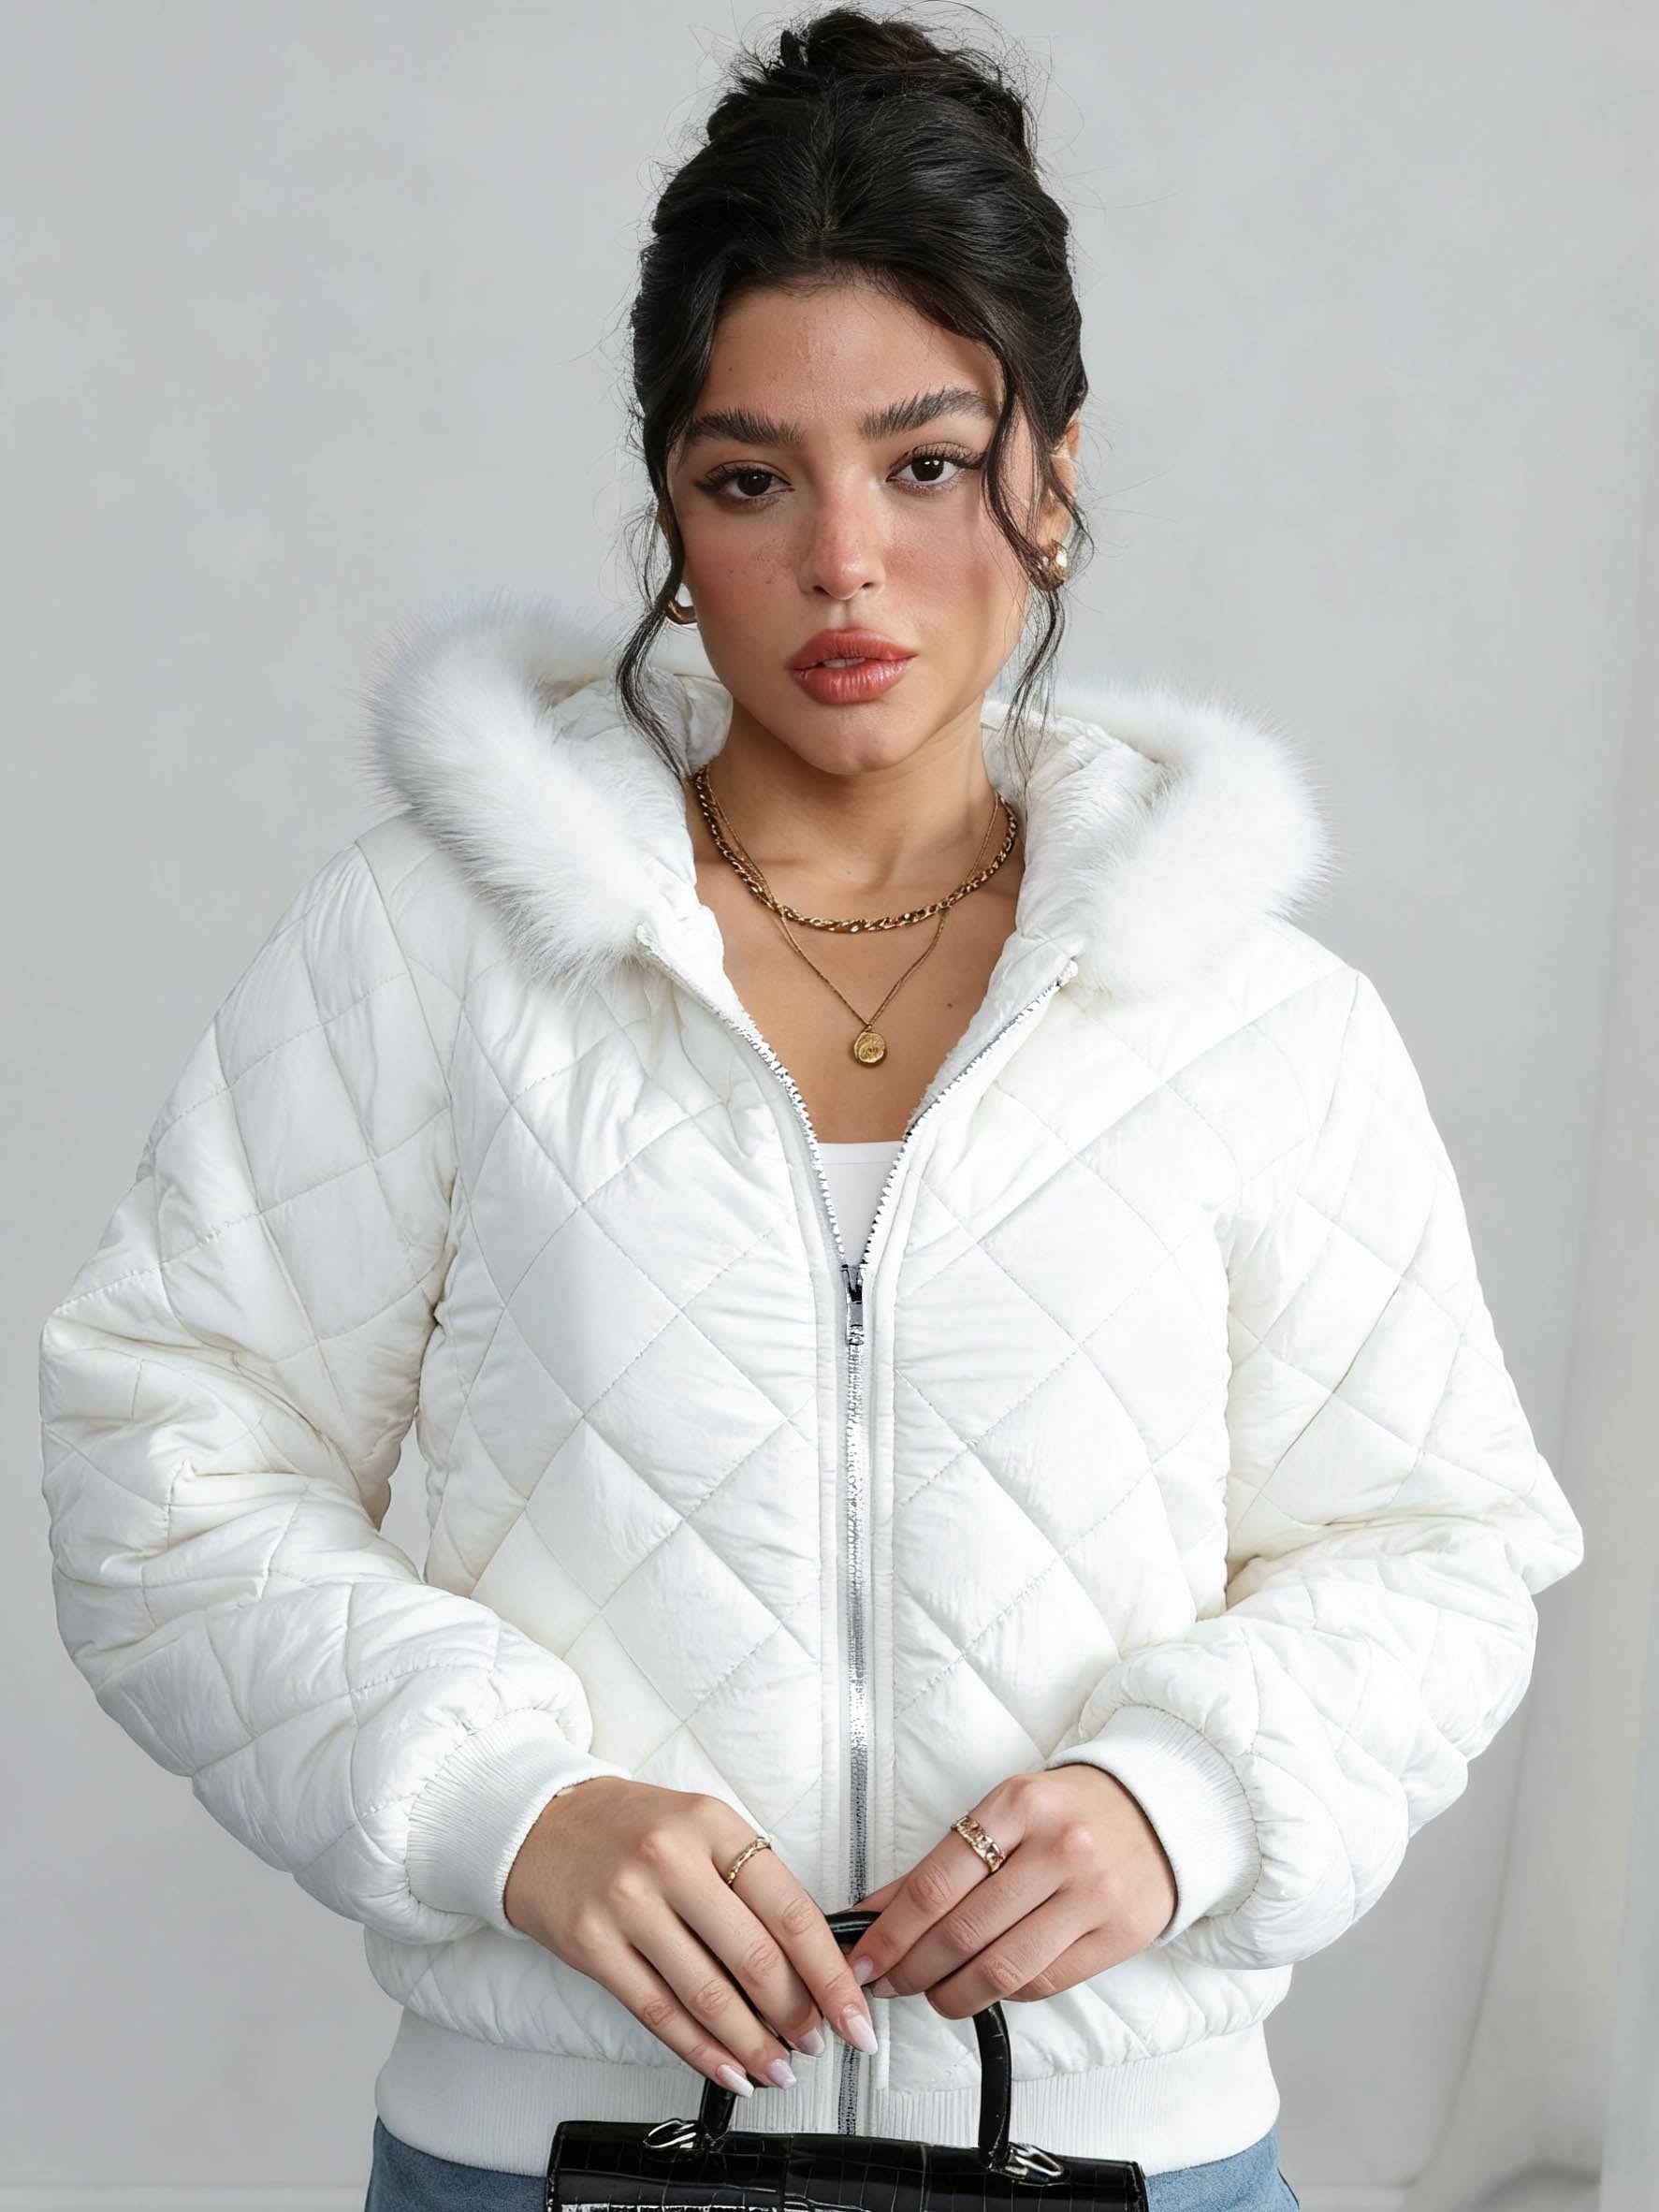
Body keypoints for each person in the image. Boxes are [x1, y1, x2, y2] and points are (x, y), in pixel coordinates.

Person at [37, 10, 1585, 2212]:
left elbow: (1437, 1547)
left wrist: (1184, 1800)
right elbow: (157, 1465)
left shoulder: (1254, 1017)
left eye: (926, 463)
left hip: (1117, 2159)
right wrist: (512, 1806)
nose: (844, 561)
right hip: (551, 2157)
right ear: (670, 510)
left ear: (1053, 474)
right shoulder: (432, 952)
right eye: (751, 478)